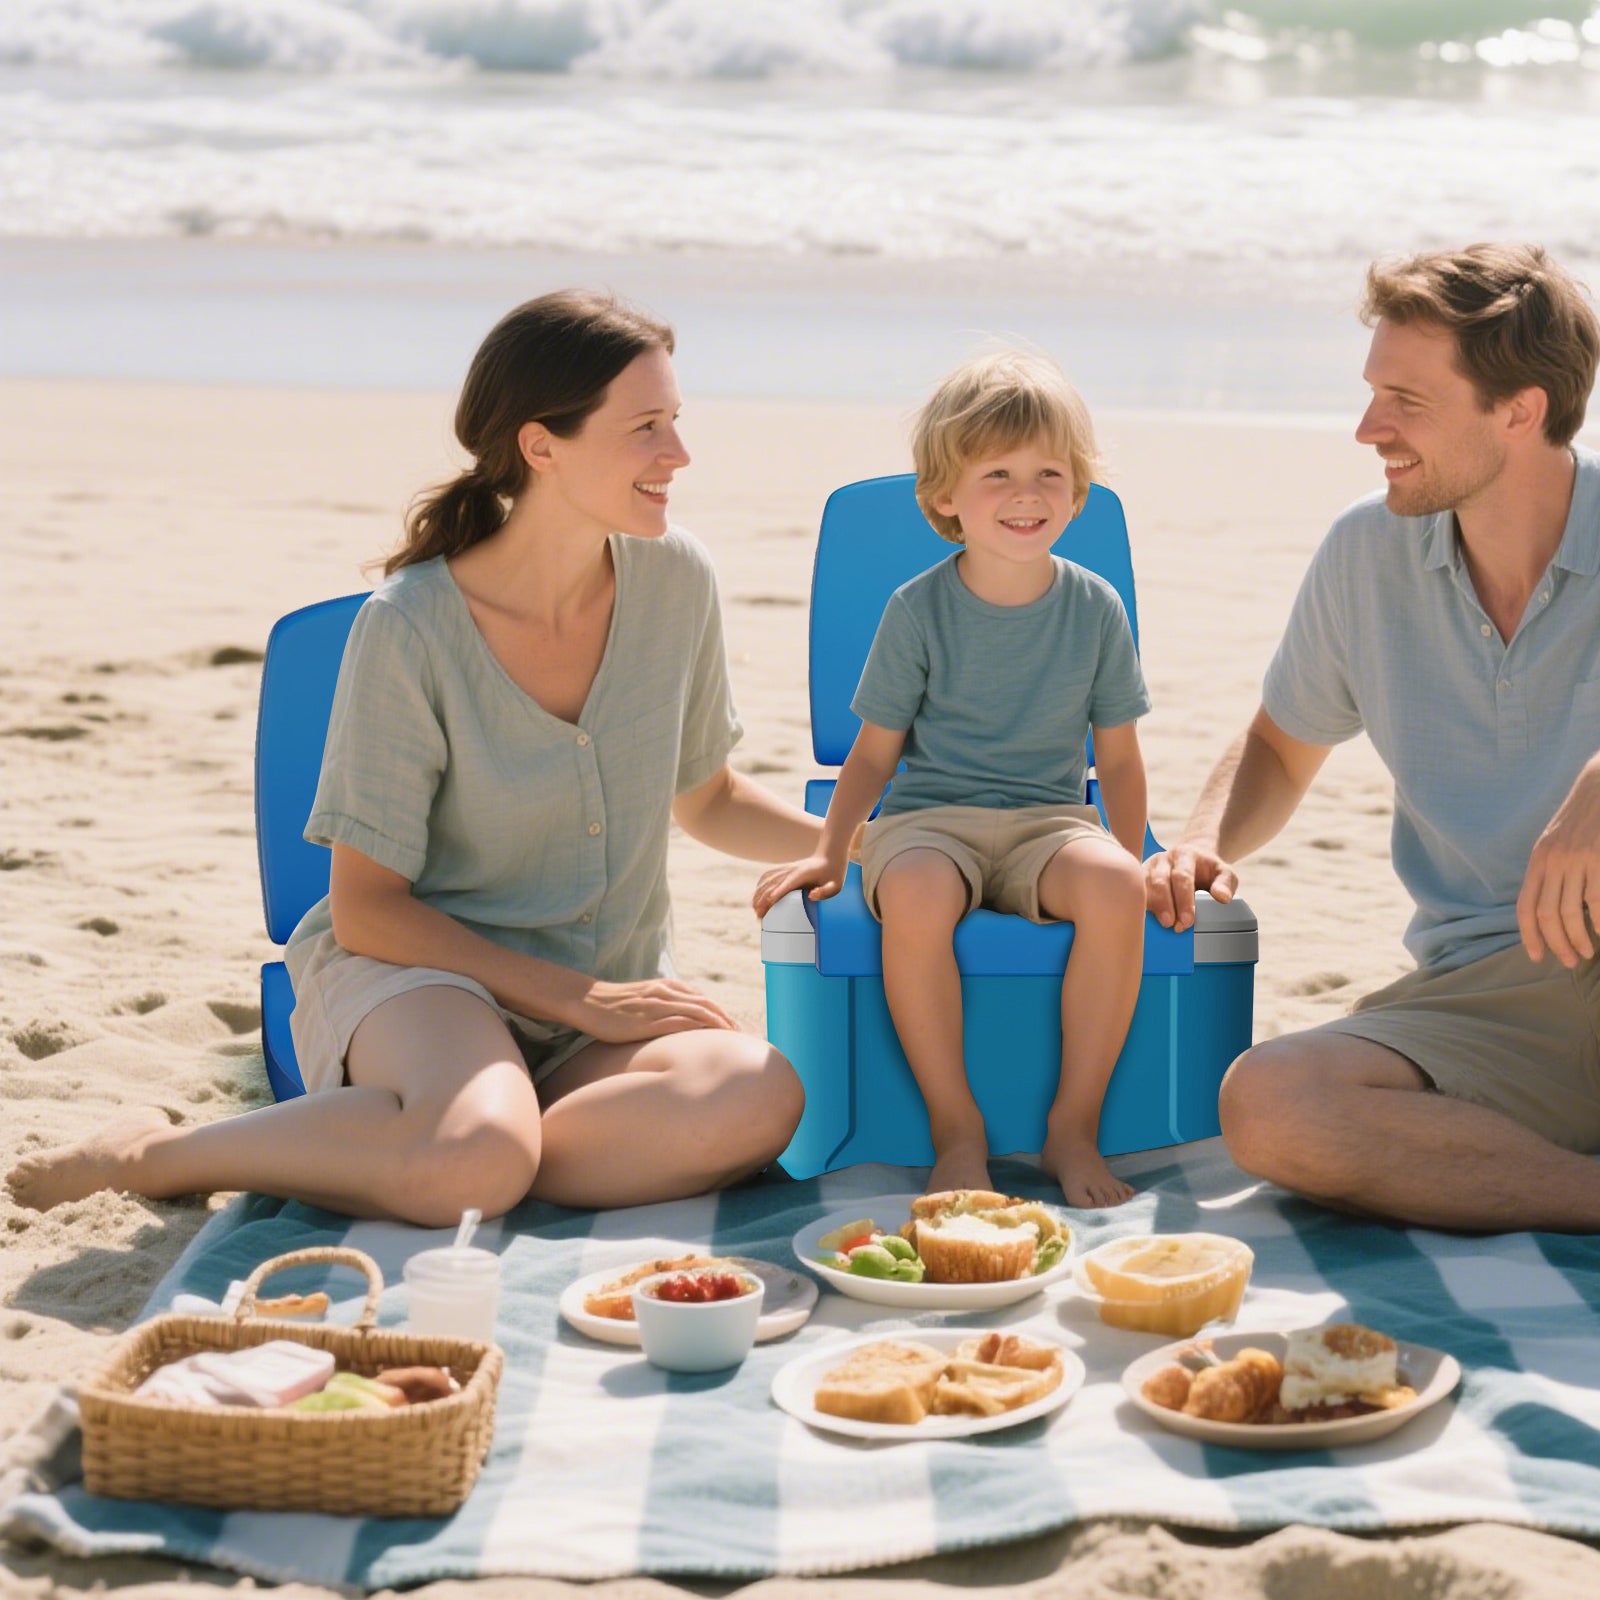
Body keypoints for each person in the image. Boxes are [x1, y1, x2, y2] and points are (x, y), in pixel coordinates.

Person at [7, 290, 820, 1225]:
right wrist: (579, 997)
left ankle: (471, 1141)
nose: (678, 454)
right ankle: (158, 1153)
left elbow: (707, 796)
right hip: (421, 980)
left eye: (675, 422)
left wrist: (854, 842)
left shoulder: (678, 579)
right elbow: (368, 910)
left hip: (591, 995)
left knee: (758, 1093)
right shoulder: (411, 628)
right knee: (480, 1151)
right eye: (645, 427)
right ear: (541, 445)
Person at [1144, 243, 1600, 1234]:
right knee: (1267, 1105)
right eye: (1370, 393)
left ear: (1519, 410)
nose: (1366, 428)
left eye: (1406, 400)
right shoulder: (1366, 551)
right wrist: (1199, 838)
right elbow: (1278, 741)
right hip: (1492, 990)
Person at [753, 352, 1151, 1207]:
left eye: (1050, 473)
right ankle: (955, 1127)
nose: (1027, 494)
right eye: (997, 474)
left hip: (1051, 822)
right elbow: (871, 754)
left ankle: (1071, 1127)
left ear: (1078, 492)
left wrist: (1131, 856)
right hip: (930, 821)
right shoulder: (918, 608)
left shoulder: (1096, 609)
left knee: (1117, 888)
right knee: (923, 894)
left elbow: (1115, 758)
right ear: (946, 496)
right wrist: (832, 853)